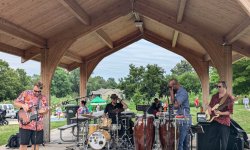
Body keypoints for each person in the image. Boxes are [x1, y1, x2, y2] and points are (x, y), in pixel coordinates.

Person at [14, 81, 48, 150]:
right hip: (25, 124)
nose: (37, 93)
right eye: (35, 91)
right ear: (33, 87)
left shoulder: (43, 97)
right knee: (23, 145)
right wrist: (23, 105)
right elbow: (15, 102)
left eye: (39, 91)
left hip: (38, 126)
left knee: (36, 145)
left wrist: (44, 111)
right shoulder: (26, 93)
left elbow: (46, 110)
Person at [206, 81, 234, 150]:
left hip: (224, 122)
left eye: (219, 86)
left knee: (224, 143)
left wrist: (221, 113)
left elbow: (230, 112)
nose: (217, 88)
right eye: (217, 86)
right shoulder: (214, 96)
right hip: (214, 120)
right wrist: (209, 109)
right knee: (212, 141)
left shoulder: (229, 98)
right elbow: (210, 105)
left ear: (224, 87)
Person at [168, 78, 191, 150]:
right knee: (184, 144)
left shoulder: (182, 92)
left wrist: (171, 92)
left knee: (179, 144)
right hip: (181, 120)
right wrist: (172, 93)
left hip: (183, 120)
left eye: (170, 87)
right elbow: (173, 103)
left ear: (175, 85)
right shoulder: (177, 93)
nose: (170, 89)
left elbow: (176, 105)